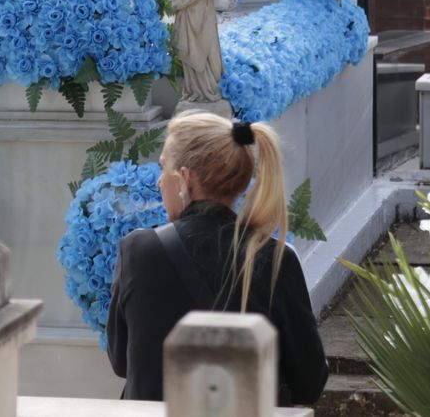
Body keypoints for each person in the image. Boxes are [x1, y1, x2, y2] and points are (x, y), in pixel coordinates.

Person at [107, 113, 328, 404]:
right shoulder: (274, 259)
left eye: (164, 168)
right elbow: (309, 383)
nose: (160, 182)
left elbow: (122, 363)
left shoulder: (137, 251)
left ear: (186, 178)